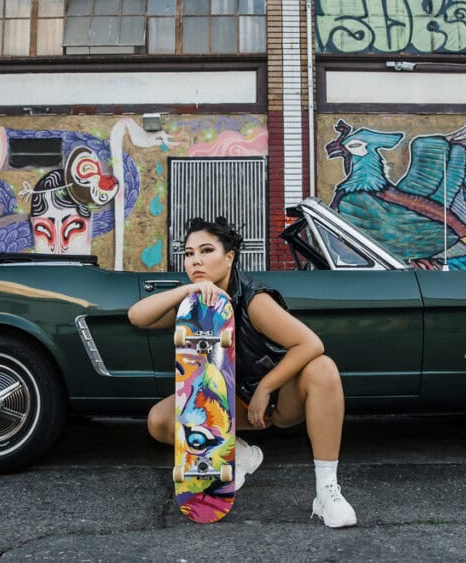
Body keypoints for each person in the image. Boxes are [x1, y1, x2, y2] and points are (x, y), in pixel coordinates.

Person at [128, 216, 358, 528]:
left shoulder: (254, 299)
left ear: (229, 257)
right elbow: (137, 316)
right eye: (189, 253)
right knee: (160, 421)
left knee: (323, 368)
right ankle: (240, 453)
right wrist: (188, 291)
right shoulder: (194, 302)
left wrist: (266, 387)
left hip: (278, 399)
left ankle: (327, 492)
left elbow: (310, 344)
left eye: (206, 251)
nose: (196, 260)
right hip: (233, 401)